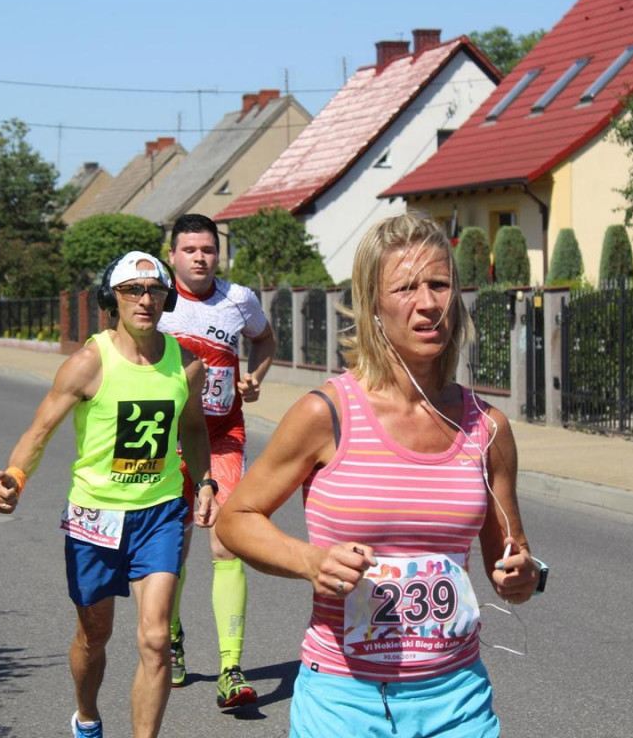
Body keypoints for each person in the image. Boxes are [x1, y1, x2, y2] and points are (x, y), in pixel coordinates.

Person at [216, 213, 545, 737]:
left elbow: (513, 562)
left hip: (457, 697)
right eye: (406, 287)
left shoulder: (488, 428)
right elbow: (235, 519)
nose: (428, 302)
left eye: (439, 284)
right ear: (374, 304)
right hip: (345, 700)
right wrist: (311, 560)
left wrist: (523, 576)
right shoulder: (327, 413)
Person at [0, 251, 218, 738]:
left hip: (159, 515)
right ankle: (87, 716)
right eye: (132, 290)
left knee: (156, 639)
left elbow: (194, 430)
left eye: (155, 290)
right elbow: (40, 430)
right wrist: (15, 477)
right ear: (111, 299)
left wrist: (205, 481)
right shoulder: (88, 363)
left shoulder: (186, 364)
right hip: (95, 517)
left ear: (167, 298)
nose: (145, 299)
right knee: (95, 636)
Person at [156, 213, 276, 706]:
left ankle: (232, 668)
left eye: (208, 249)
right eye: (190, 250)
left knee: (227, 544)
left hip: (223, 435)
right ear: (173, 256)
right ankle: (174, 640)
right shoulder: (155, 302)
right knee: (174, 552)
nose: (200, 258)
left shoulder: (239, 300)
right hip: (169, 442)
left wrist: (256, 377)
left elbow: (264, 339)